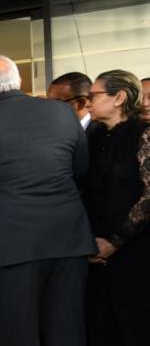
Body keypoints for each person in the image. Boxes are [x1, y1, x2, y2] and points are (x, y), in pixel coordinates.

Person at [0, 54, 95, 346]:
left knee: (17, 333)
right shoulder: (63, 113)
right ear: (18, 82)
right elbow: (81, 169)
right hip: (69, 239)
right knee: (68, 330)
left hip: (8, 245)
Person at [81, 70, 149, 346]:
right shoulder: (92, 136)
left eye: (94, 95)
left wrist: (115, 241)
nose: (87, 102)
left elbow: (149, 195)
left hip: (135, 250)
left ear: (119, 97)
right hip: (95, 253)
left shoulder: (144, 134)